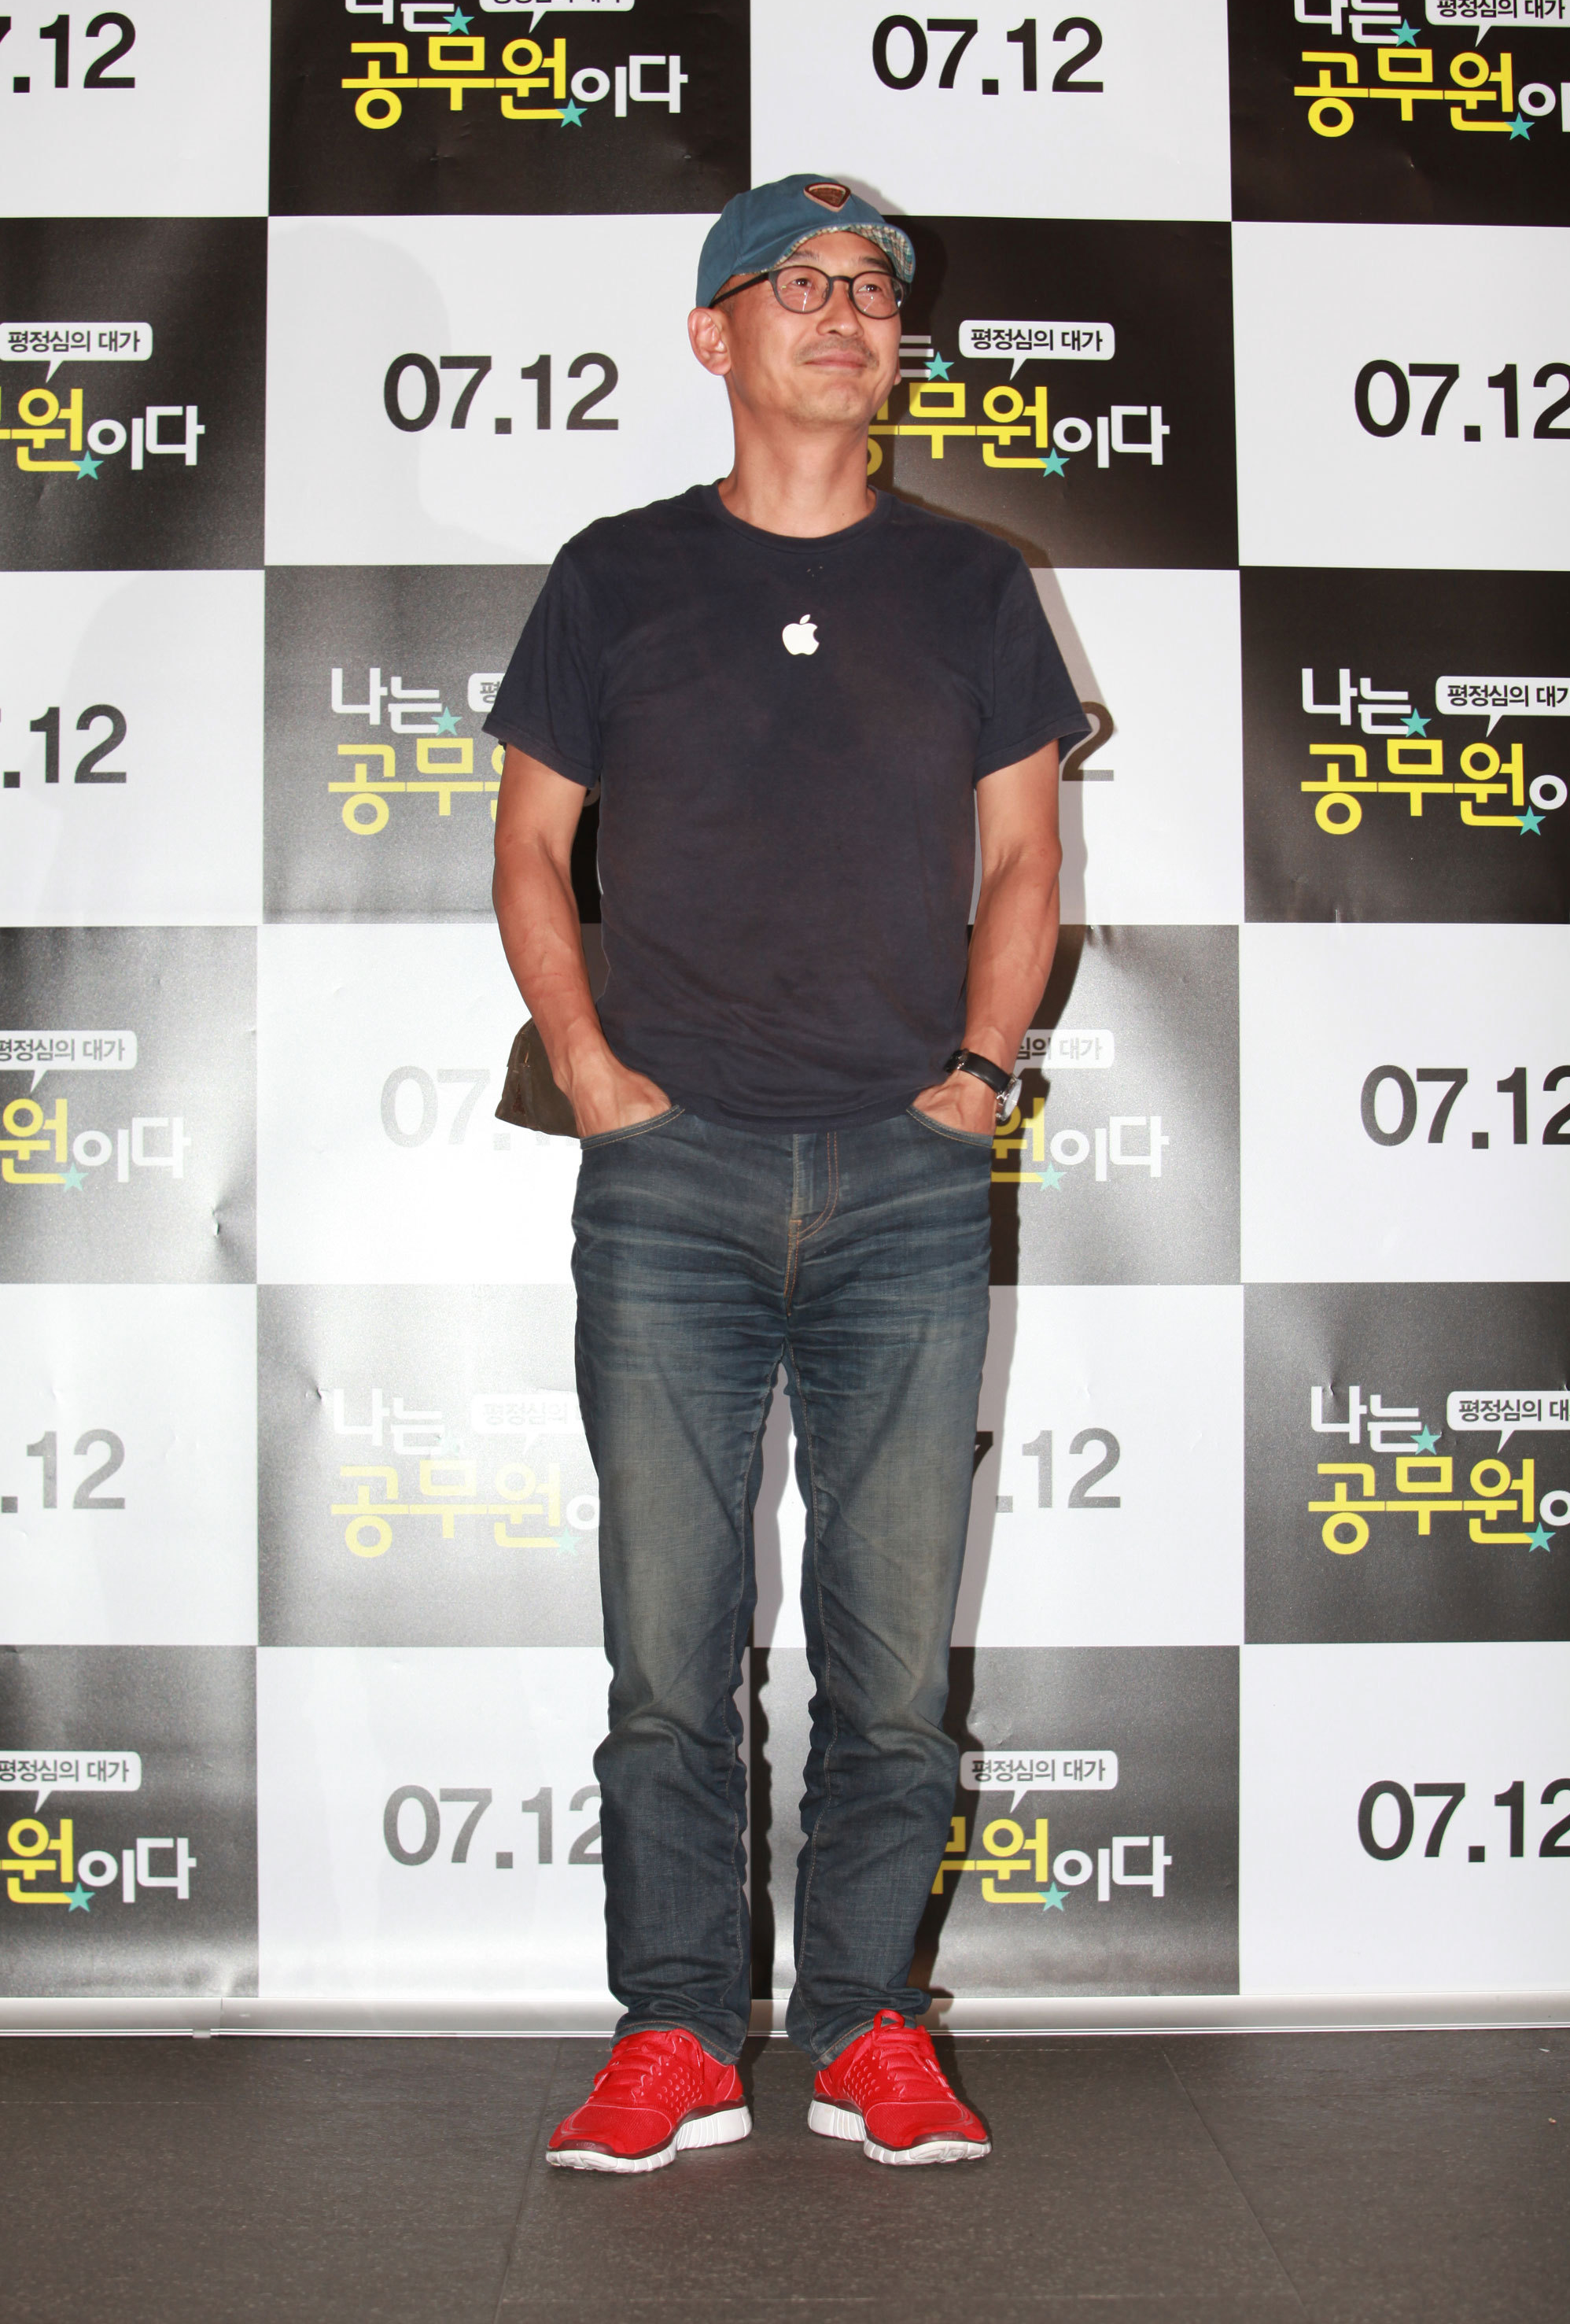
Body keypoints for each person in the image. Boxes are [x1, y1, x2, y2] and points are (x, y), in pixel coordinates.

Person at [488, 173, 1087, 2172]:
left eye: (873, 291)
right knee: (669, 1658)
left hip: (909, 1178)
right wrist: (592, 1072)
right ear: (714, 336)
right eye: (797, 282)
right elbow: (527, 847)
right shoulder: (614, 575)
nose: (846, 312)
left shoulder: (974, 585)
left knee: (893, 1668)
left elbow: (1026, 860)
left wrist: (977, 1077)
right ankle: (672, 2032)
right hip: (670, 1178)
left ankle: (860, 2032)